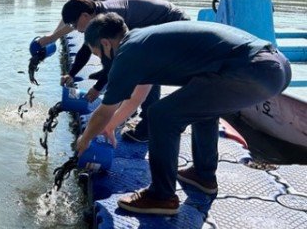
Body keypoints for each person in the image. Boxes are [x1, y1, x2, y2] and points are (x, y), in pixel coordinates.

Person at [76, 13, 291, 216]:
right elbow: (136, 97)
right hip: (276, 65)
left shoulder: (128, 53)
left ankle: (161, 197)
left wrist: (85, 139)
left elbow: (105, 110)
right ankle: (203, 175)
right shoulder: (144, 41)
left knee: (162, 116)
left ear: (105, 43)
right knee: (202, 107)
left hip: (255, 71)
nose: (102, 61)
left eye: (97, 54)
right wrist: (111, 126)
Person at [60, 0, 190, 142]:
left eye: (74, 25)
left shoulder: (109, 21)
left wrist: (98, 89)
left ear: (84, 16)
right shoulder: (99, 20)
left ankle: (146, 129)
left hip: (173, 22)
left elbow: (117, 64)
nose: (76, 29)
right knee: (137, 75)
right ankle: (131, 113)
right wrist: (72, 73)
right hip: (154, 26)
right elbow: (87, 50)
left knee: (147, 73)